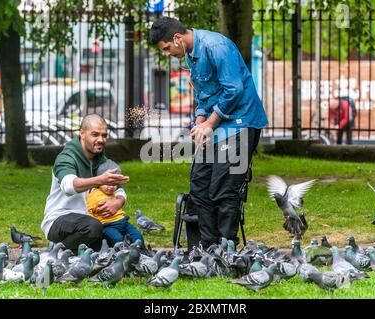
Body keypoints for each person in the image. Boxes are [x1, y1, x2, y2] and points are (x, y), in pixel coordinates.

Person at [150, 17, 268, 249]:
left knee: (224, 189)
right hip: (218, 124)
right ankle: (206, 247)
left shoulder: (217, 47)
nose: (166, 54)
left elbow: (234, 90)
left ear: (177, 39)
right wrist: (200, 123)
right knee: (200, 184)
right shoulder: (189, 54)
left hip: (241, 123)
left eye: (166, 48)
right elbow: (203, 94)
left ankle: (226, 248)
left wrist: (210, 124)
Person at [41, 114, 130, 252]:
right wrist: (100, 180)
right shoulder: (66, 158)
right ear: (82, 133)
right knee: (93, 227)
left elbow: (117, 188)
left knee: (119, 237)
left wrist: (118, 202)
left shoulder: (100, 160)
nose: (101, 139)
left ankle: (79, 254)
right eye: (95, 134)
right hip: (58, 220)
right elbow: (69, 186)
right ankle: (56, 253)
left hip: (89, 220)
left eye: (104, 135)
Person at [86, 159, 144, 247]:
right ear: (100, 181)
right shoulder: (93, 196)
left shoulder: (115, 192)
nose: (111, 187)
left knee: (137, 236)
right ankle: (119, 255)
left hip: (123, 222)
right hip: (108, 226)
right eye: (107, 183)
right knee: (117, 239)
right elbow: (88, 213)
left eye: (114, 184)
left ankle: (140, 252)